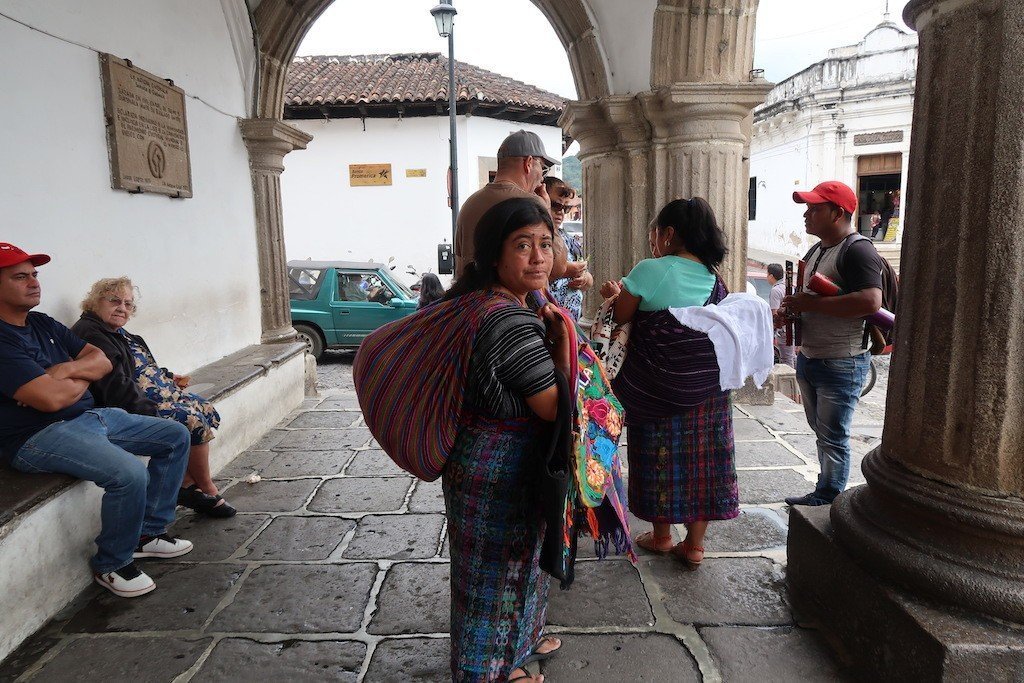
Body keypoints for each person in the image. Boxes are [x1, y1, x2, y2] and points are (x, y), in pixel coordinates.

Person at [0, 244, 193, 598]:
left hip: (89, 416)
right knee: (128, 473)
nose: (33, 283)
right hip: (36, 436)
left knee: (175, 435)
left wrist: (67, 371)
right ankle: (112, 564)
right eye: (20, 276)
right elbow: (49, 399)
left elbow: (100, 360)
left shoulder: (42, 323)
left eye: (34, 275)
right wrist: (80, 379)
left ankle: (148, 533)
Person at [442, 198, 571, 682]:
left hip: (480, 458)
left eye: (544, 243)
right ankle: (490, 673)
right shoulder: (507, 320)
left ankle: (514, 652)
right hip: (500, 468)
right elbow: (554, 406)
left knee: (504, 569)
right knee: (493, 579)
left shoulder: (489, 302)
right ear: (495, 256)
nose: (539, 256)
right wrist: (562, 345)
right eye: (523, 246)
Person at [602, 198, 738, 570]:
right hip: (708, 392)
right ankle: (694, 546)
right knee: (705, 464)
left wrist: (613, 296)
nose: (653, 241)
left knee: (658, 457)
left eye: (655, 233)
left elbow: (621, 317)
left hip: (655, 389)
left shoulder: (651, 269)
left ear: (669, 234)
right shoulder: (715, 278)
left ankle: (661, 537)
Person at [71, 278, 235, 518]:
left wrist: (167, 376)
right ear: (95, 302)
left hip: (156, 394)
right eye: (114, 301)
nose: (122, 308)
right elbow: (115, 385)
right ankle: (206, 487)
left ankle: (187, 483)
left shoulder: (117, 331)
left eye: (128, 304)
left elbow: (142, 365)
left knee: (204, 407)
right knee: (190, 419)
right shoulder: (91, 333)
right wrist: (150, 411)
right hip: (131, 404)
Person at [781, 181, 883, 507]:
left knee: (834, 433)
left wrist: (811, 305)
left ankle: (828, 498)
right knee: (821, 429)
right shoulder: (817, 249)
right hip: (811, 356)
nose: (806, 215)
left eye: (814, 209)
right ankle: (825, 488)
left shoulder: (859, 249)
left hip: (843, 360)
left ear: (837, 212)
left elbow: (870, 301)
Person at [454, 129, 567, 283]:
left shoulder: (469, 204)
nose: (542, 177)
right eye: (542, 168)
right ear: (528, 163)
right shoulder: (532, 204)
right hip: (512, 304)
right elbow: (559, 267)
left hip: (473, 301)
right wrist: (546, 210)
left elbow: (460, 265)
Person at [544, 176, 592, 320]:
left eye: (566, 208)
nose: (561, 212)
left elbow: (589, 279)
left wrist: (584, 278)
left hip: (571, 323)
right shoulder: (537, 238)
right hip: (549, 320)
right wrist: (565, 270)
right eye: (556, 205)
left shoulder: (567, 238)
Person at [767, 263, 796, 367]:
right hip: (792, 328)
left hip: (783, 330)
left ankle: (790, 381)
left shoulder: (776, 290)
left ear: (771, 276)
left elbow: (775, 314)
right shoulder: (790, 288)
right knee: (791, 357)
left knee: (786, 360)